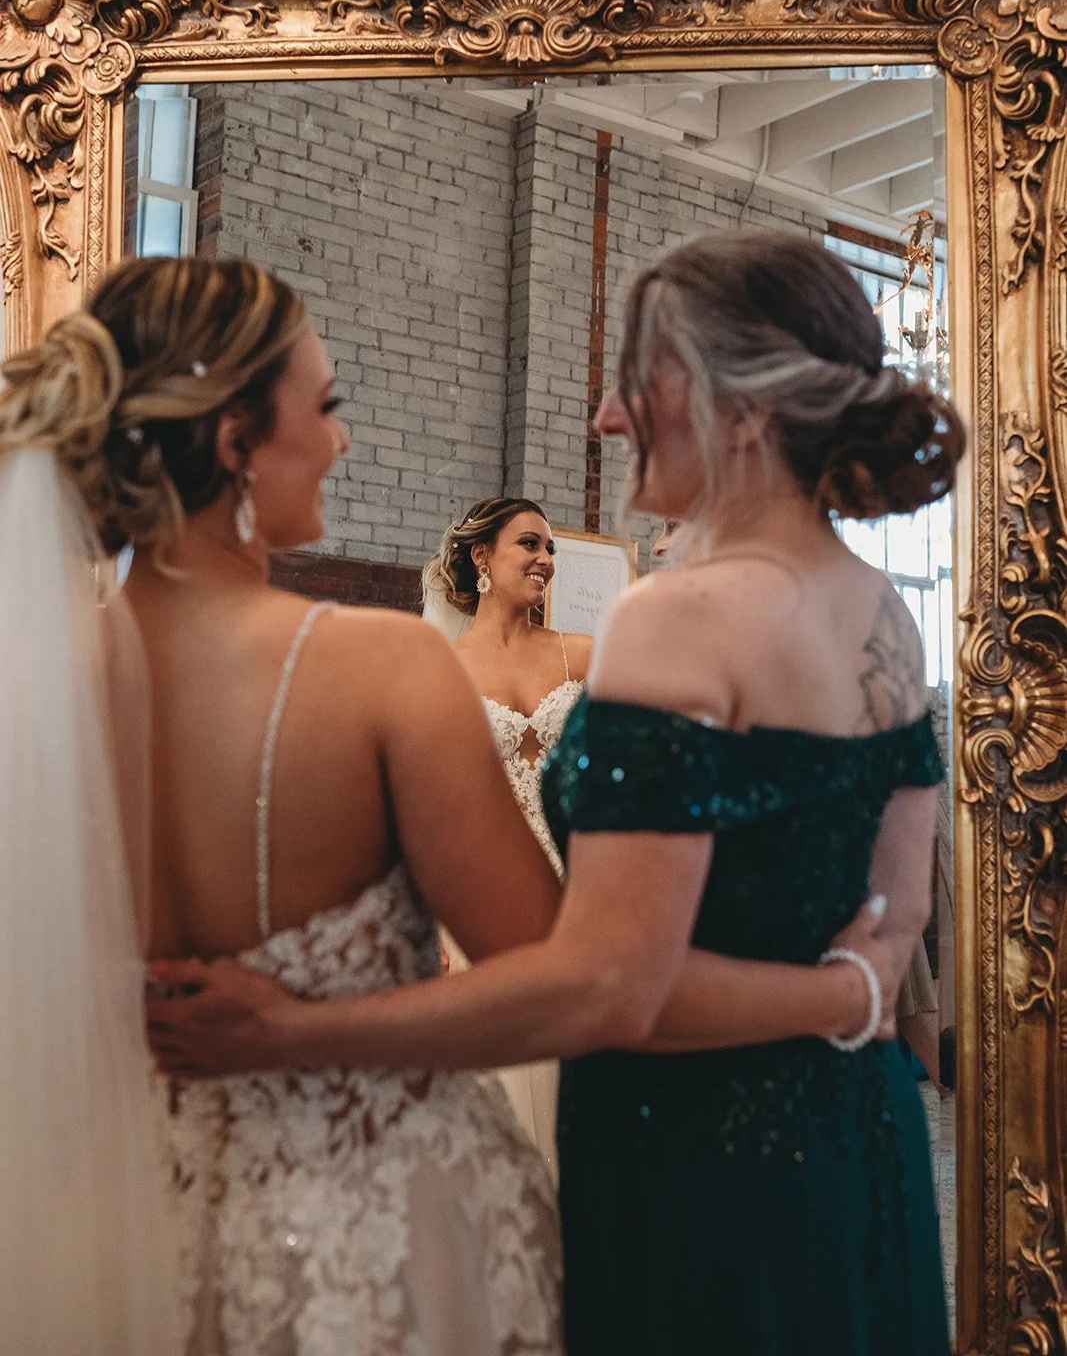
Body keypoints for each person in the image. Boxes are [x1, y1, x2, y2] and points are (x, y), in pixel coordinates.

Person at [150, 232, 964, 1355]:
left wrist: (292, 1026)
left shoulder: (671, 619)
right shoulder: (887, 614)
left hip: (701, 1160)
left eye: (638, 375)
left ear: (743, 405)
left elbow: (610, 986)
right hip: (860, 1141)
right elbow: (896, 920)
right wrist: (848, 1003)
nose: (604, 415)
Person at [0, 257, 567, 1356]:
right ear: (233, 443)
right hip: (376, 1235)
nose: (343, 440)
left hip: (123, 1230)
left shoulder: (32, 688)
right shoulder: (381, 666)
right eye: (326, 407)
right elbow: (552, 986)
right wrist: (301, 1030)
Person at [423, 497, 592, 1168]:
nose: (545, 560)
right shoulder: (441, 667)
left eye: (550, 549)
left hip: (575, 896)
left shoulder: (581, 655)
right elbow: (435, 808)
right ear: (480, 557)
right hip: (481, 900)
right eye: (529, 544)